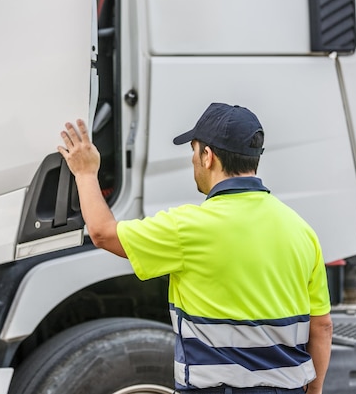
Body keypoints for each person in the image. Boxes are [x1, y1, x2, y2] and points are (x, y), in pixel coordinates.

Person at [57, 103, 333, 394]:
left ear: (208, 156)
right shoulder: (301, 230)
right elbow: (322, 326)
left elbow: (102, 233)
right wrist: (312, 392)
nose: (192, 160)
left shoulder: (187, 227)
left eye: (193, 150)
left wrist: (86, 174)